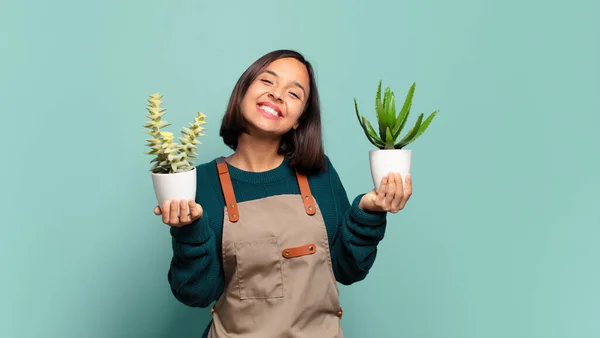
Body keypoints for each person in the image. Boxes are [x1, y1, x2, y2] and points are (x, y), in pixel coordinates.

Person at [153, 49, 412, 337]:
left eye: (294, 94)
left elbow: (346, 269)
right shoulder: (199, 182)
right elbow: (196, 294)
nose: (277, 95)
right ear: (243, 91)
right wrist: (188, 232)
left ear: (299, 119)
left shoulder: (319, 173)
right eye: (267, 82)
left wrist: (368, 211)